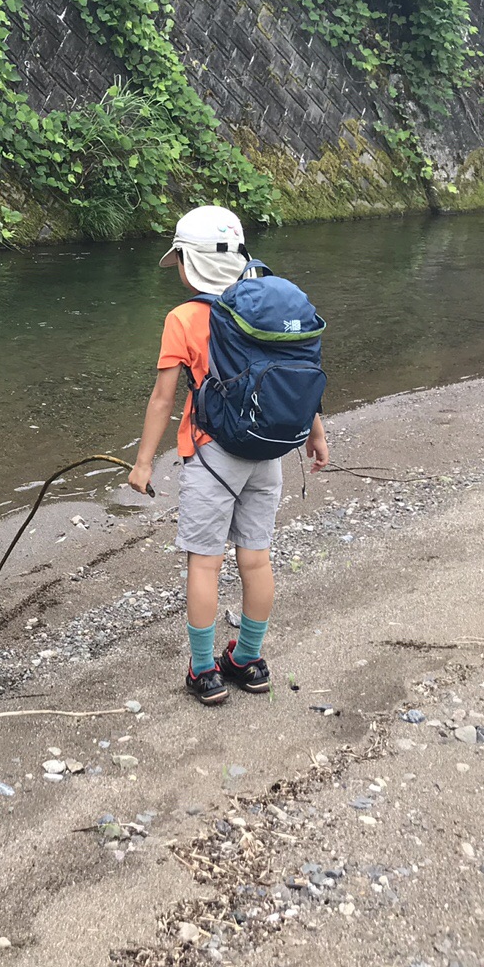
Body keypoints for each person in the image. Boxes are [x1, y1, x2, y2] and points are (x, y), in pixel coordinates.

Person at [127, 206, 329, 706]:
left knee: (205, 563)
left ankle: (203, 671)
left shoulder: (184, 318)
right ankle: (248, 660)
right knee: (256, 559)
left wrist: (144, 462)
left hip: (212, 454)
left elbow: (162, 399)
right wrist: (315, 434)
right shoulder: (268, 306)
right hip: (269, 451)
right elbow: (299, 368)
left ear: (188, 263)